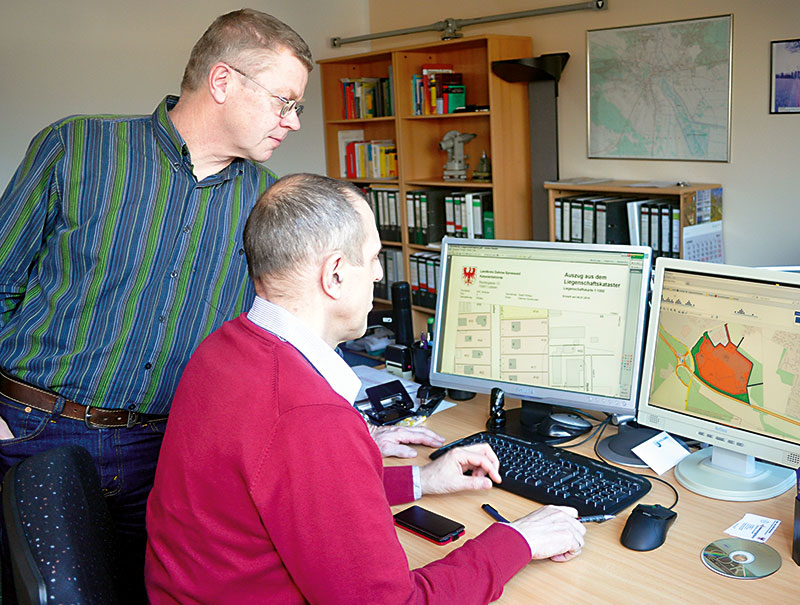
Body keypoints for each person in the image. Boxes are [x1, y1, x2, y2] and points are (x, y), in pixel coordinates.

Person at [145, 173, 586, 604]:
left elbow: (293, 502)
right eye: (374, 257)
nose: (378, 274)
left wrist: (420, 481)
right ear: (335, 274)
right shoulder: (311, 419)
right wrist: (517, 540)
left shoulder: (220, 351)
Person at [0, 9, 312, 601]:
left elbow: (271, 333)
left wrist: (345, 420)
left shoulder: (268, 201)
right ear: (223, 82)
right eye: (284, 101)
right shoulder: (77, 147)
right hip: (33, 430)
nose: (292, 122)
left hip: (165, 455)